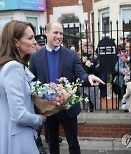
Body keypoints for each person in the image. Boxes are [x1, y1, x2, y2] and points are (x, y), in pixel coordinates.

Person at [29, 21, 104, 154]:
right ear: (47, 33)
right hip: (48, 109)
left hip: (68, 108)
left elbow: (80, 74)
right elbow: (32, 82)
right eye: (55, 32)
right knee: (52, 143)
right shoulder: (35, 57)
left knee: (73, 143)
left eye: (61, 33)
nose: (59, 36)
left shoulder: (70, 54)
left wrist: (88, 78)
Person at [0, 20, 45, 154]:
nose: (35, 42)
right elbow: (19, 115)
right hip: (18, 137)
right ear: (16, 42)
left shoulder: (13, 66)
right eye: (30, 38)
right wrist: (40, 119)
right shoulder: (12, 67)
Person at [34, 34, 47, 154]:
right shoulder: (31, 57)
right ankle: (38, 145)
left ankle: (48, 137)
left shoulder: (44, 56)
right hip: (33, 95)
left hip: (45, 93)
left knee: (47, 117)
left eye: (44, 44)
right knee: (37, 123)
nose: (42, 46)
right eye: (40, 44)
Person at [80, 42, 101, 111]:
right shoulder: (80, 59)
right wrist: (83, 63)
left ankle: (98, 115)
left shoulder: (95, 58)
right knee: (84, 102)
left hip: (93, 84)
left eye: (89, 48)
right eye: (85, 48)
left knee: (95, 101)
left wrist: (91, 66)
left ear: (92, 49)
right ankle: (85, 116)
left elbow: (98, 71)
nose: (87, 50)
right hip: (83, 84)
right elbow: (78, 71)